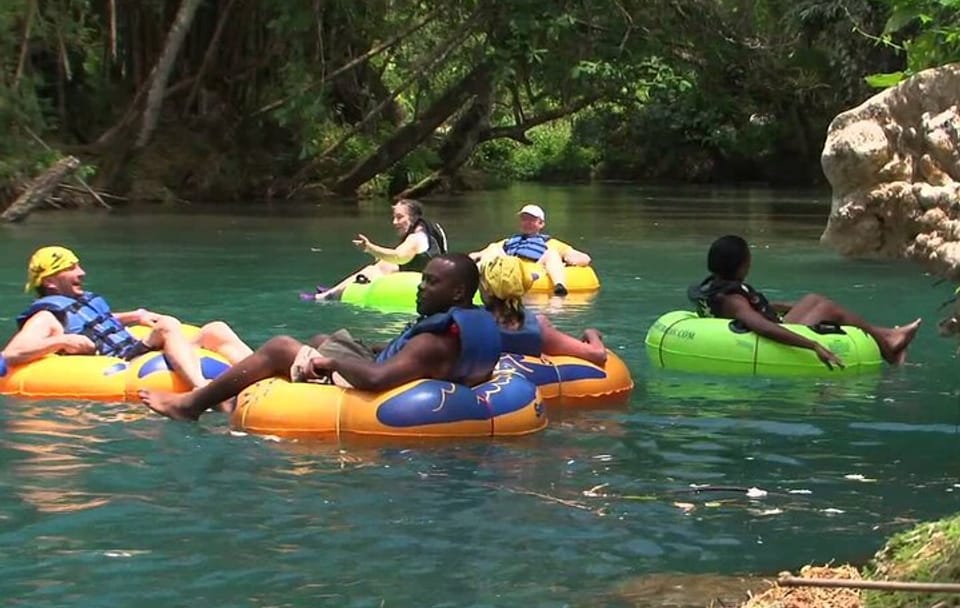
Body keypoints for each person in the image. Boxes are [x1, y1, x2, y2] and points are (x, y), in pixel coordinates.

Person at [140, 254, 502, 421]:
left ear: (457, 293)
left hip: (382, 387)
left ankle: (190, 405)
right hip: (413, 373)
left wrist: (332, 362)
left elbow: (377, 379)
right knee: (321, 335)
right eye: (422, 279)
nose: (421, 288)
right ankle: (239, 392)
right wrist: (373, 348)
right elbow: (411, 357)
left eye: (431, 283)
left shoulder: (433, 341)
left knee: (282, 346)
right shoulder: (467, 322)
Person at [2, 246, 253, 388]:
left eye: (77, 265)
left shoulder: (78, 301)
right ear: (50, 282)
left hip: (131, 347)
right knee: (168, 326)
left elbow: (98, 322)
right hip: (119, 360)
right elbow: (12, 353)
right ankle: (201, 387)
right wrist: (61, 342)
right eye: (70, 269)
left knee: (215, 329)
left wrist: (135, 316)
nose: (81, 272)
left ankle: (265, 378)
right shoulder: (45, 316)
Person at [689, 235, 921, 369]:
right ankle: (889, 345)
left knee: (812, 300)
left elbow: (753, 310)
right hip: (768, 339)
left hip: (766, 323)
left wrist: (780, 306)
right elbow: (761, 326)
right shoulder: (733, 299)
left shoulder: (715, 286)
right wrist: (813, 345)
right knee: (827, 308)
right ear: (740, 265)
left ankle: (888, 335)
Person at [479, 256, 607, 366]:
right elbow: (598, 354)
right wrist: (592, 333)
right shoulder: (538, 325)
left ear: (484, 288)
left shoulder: (471, 322)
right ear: (524, 286)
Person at [314, 199, 447, 301]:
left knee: (374, 269)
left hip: (425, 282)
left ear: (414, 217)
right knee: (383, 264)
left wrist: (369, 248)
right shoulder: (425, 228)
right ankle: (335, 290)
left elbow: (399, 257)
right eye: (394, 217)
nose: (395, 222)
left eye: (400, 217)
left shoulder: (416, 238)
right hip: (430, 275)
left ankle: (328, 296)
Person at [469, 203, 591, 297]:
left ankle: (559, 285)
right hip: (511, 270)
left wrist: (568, 260)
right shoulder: (508, 241)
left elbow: (584, 258)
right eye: (524, 219)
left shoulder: (551, 243)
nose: (527, 223)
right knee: (493, 247)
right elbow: (480, 254)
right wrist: (471, 258)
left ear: (541, 223)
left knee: (552, 253)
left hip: (536, 270)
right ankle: (476, 278)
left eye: (531, 219)